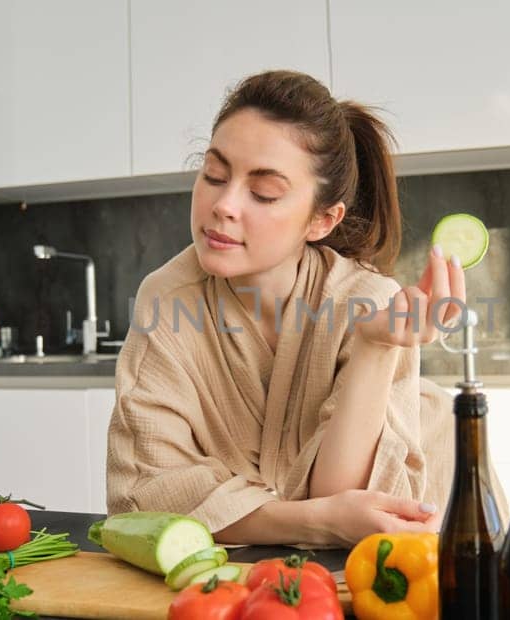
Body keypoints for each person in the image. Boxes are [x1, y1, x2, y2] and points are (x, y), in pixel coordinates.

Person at [104, 70, 466, 547]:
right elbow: (149, 491)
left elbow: (350, 505)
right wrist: (308, 520)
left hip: (430, 538)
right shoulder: (168, 299)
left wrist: (375, 346)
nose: (224, 205)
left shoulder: (366, 302)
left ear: (321, 219)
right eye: (214, 175)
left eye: (264, 193)